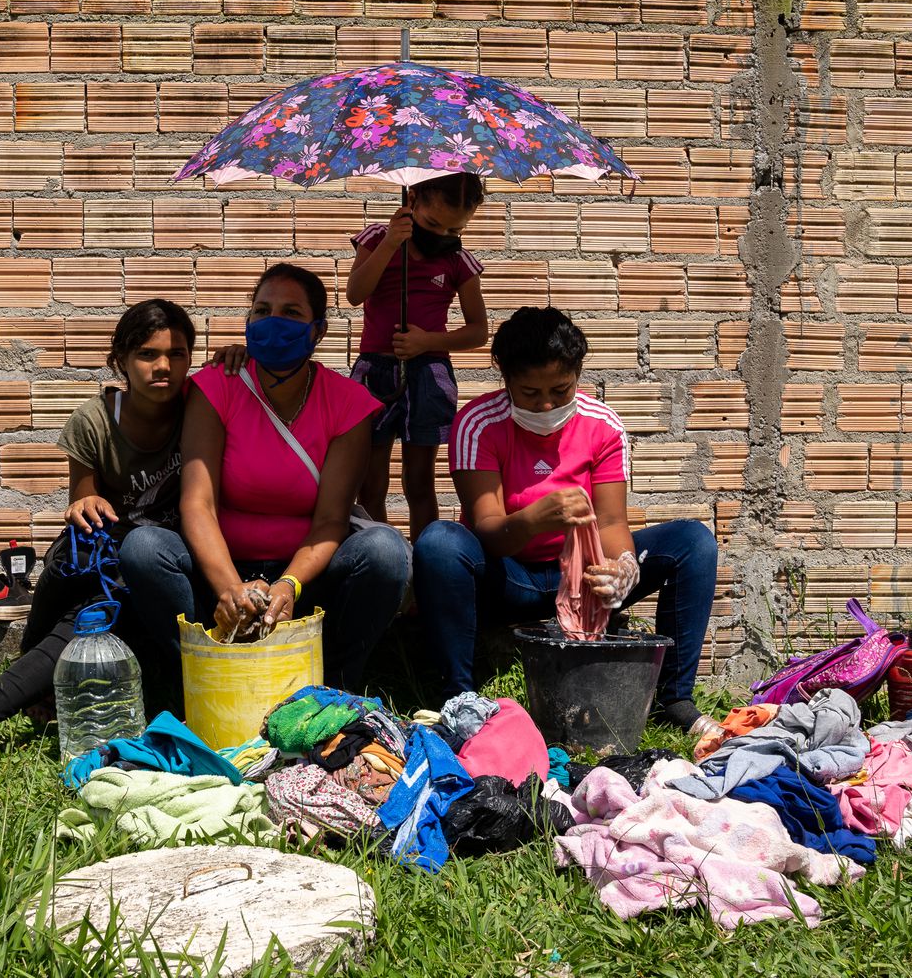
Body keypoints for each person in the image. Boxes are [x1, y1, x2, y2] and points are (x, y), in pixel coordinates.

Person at [0, 299, 195, 778]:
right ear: (120, 361)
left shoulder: (201, 408)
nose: (163, 366)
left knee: (83, 623)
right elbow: (83, 497)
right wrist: (83, 506)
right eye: (148, 354)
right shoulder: (95, 421)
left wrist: (238, 356)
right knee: (80, 628)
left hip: (170, 567)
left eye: (177, 354)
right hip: (109, 571)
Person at [413, 306, 719, 736]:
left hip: (583, 581)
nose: (546, 404)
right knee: (439, 542)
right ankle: (460, 700)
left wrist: (624, 568)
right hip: (510, 578)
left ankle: (673, 698)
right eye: (529, 392)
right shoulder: (478, 424)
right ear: (505, 380)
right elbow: (487, 531)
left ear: (578, 375)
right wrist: (535, 519)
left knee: (694, 542)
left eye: (560, 390)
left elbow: (612, 522)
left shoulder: (602, 426)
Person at [120, 263, 410, 713]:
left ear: (318, 331)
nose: (274, 322)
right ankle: (205, 674)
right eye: (262, 310)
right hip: (219, 573)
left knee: (386, 551)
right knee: (143, 549)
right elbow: (197, 503)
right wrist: (231, 590)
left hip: (307, 580)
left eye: (291, 313)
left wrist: (289, 585)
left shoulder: (349, 403)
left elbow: (333, 519)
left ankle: (332, 688)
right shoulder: (217, 386)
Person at [345, 173, 490, 540]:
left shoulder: (458, 261)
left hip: (429, 374)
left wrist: (428, 342)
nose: (442, 235)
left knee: (420, 481)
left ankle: (425, 570)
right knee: (371, 482)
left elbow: (478, 330)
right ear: (412, 201)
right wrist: (391, 244)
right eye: (431, 223)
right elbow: (355, 293)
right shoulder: (378, 239)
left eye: (455, 230)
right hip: (374, 374)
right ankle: (387, 561)